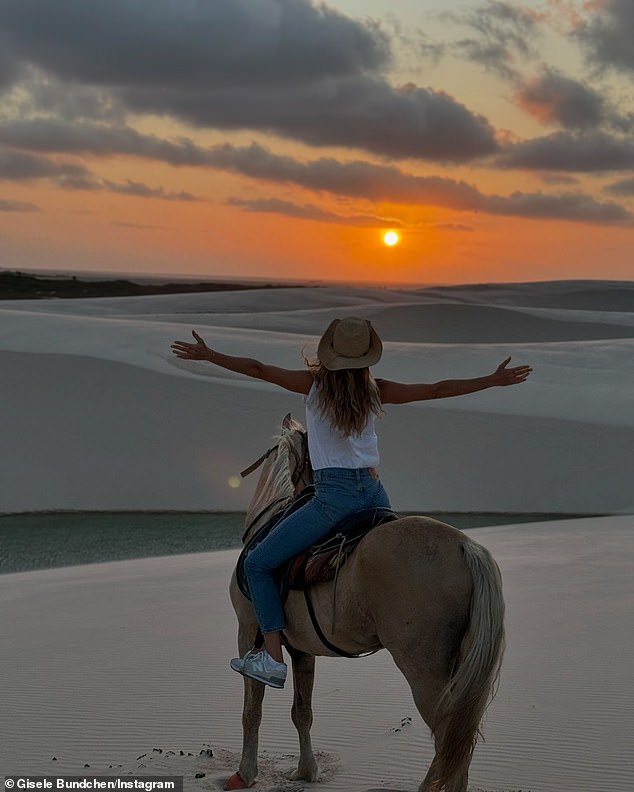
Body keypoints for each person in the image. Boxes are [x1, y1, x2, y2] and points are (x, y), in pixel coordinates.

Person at [171, 316, 532, 689]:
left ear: (328, 354)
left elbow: (258, 368)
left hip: (333, 497)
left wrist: (210, 355)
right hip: (375, 496)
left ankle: (273, 660)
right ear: (367, 358)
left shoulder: (312, 387)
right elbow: (437, 389)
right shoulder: (377, 391)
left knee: (259, 562)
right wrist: (491, 380)